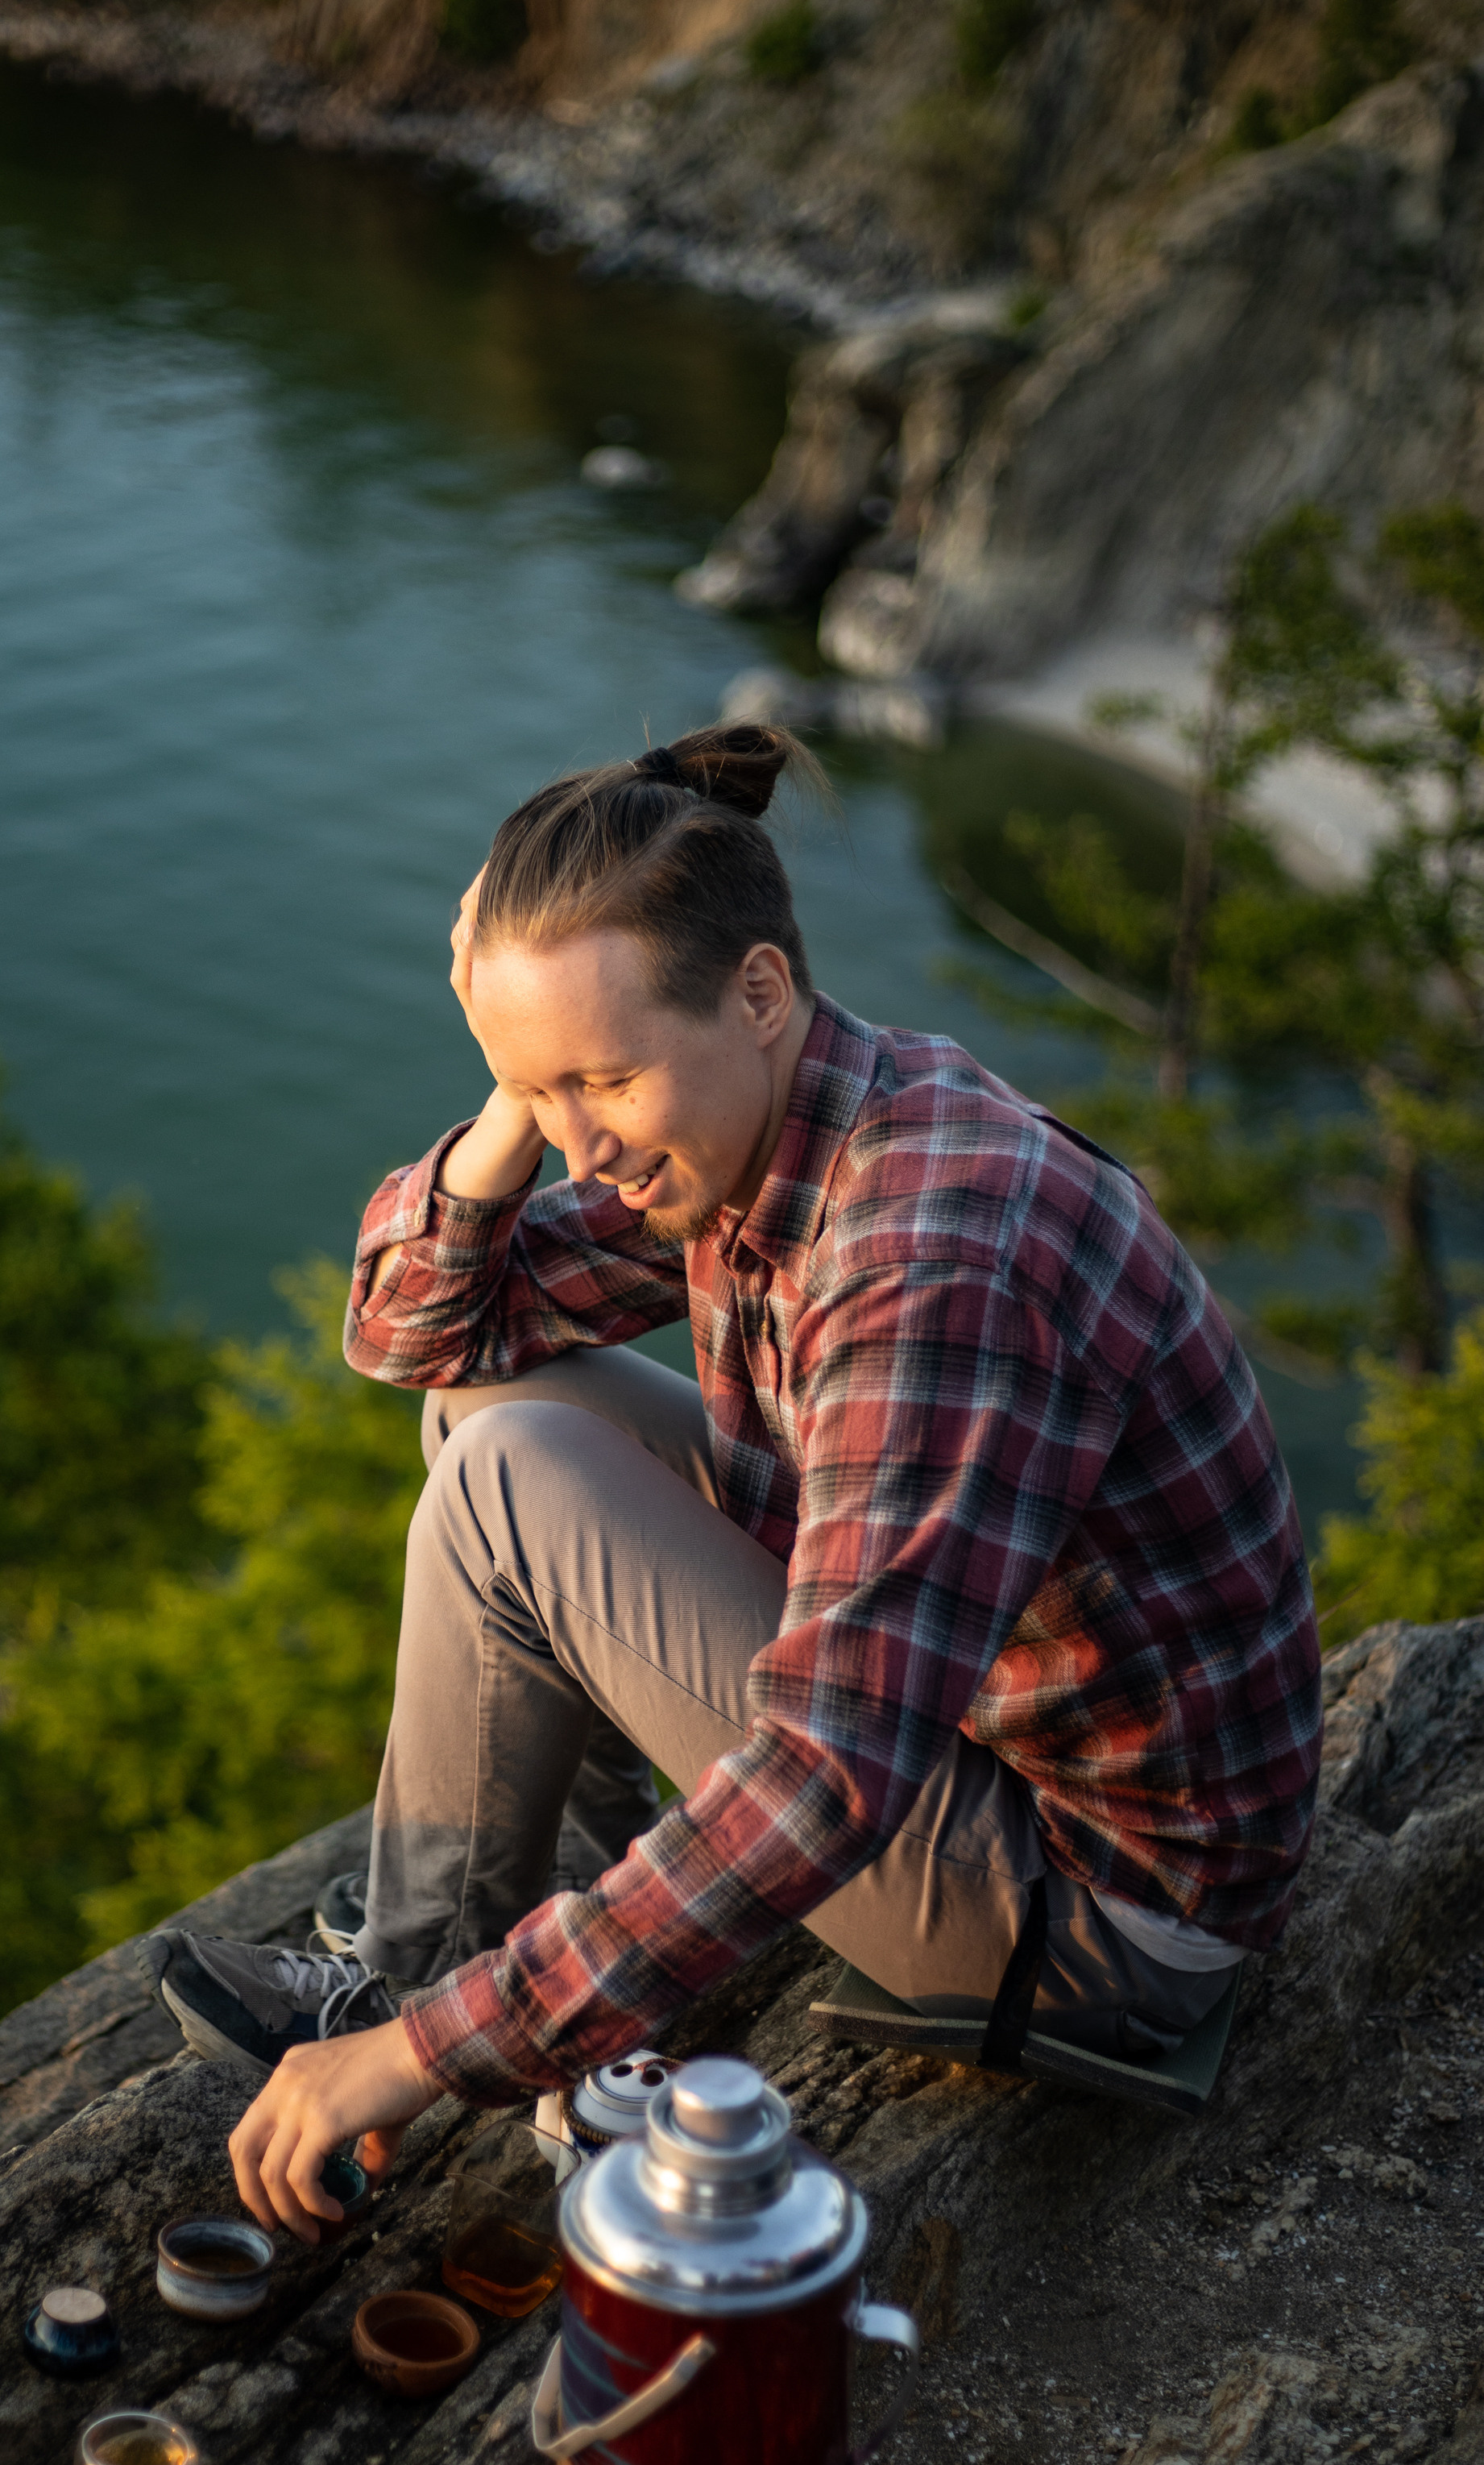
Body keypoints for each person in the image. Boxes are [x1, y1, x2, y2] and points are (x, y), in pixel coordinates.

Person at [139, 724, 1322, 2242]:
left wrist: (425, 2060)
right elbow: (413, 1331)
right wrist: (523, 1080)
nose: (582, 1142)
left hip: (1098, 1928)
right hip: (960, 1745)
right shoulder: (760, 1117)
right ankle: (495, 1942)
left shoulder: (930, 1251)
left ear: (758, 991)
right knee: (492, 1398)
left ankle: (437, 1986)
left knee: (512, 1480)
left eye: (604, 1076)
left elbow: (829, 1777)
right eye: (541, 1090)